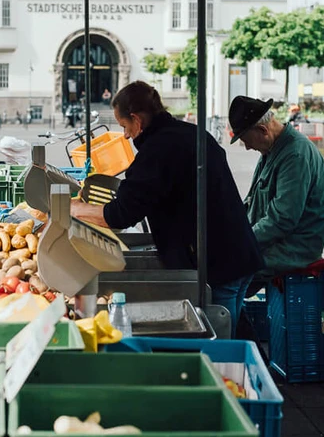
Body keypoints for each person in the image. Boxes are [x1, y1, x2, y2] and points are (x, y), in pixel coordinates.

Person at [71, 81, 264, 334]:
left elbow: (120, 214)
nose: (126, 135)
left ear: (136, 119)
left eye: (124, 127)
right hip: (240, 252)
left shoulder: (158, 150)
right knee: (236, 330)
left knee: (223, 339)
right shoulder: (190, 133)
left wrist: (73, 210)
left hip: (217, 262)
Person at [230, 96, 324, 275]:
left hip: (294, 249)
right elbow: (252, 201)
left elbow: (282, 220)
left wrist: (241, 243)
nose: (246, 148)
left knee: (226, 269)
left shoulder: (295, 155)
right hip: (275, 241)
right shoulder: (271, 149)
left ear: (262, 130)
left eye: (246, 141)